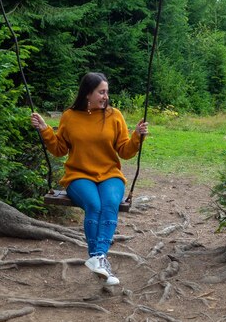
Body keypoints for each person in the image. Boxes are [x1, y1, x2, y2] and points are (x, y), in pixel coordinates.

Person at [31, 72, 148, 286]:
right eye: (101, 92)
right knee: (94, 205)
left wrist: (137, 136)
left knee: (110, 203)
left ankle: (97, 257)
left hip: (110, 174)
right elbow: (59, 149)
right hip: (79, 175)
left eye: (107, 92)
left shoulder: (114, 116)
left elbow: (125, 151)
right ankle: (100, 259)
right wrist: (45, 130)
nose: (106, 96)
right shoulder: (70, 117)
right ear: (88, 94)